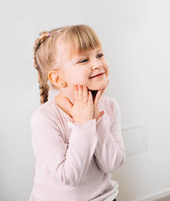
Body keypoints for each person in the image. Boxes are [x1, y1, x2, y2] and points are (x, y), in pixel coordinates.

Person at [31, 24, 125, 201]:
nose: (97, 64)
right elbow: (69, 177)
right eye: (84, 60)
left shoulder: (111, 107)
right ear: (58, 79)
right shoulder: (44, 118)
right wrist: (83, 125)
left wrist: (96, 117)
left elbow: (111, 164)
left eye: (99, 55)